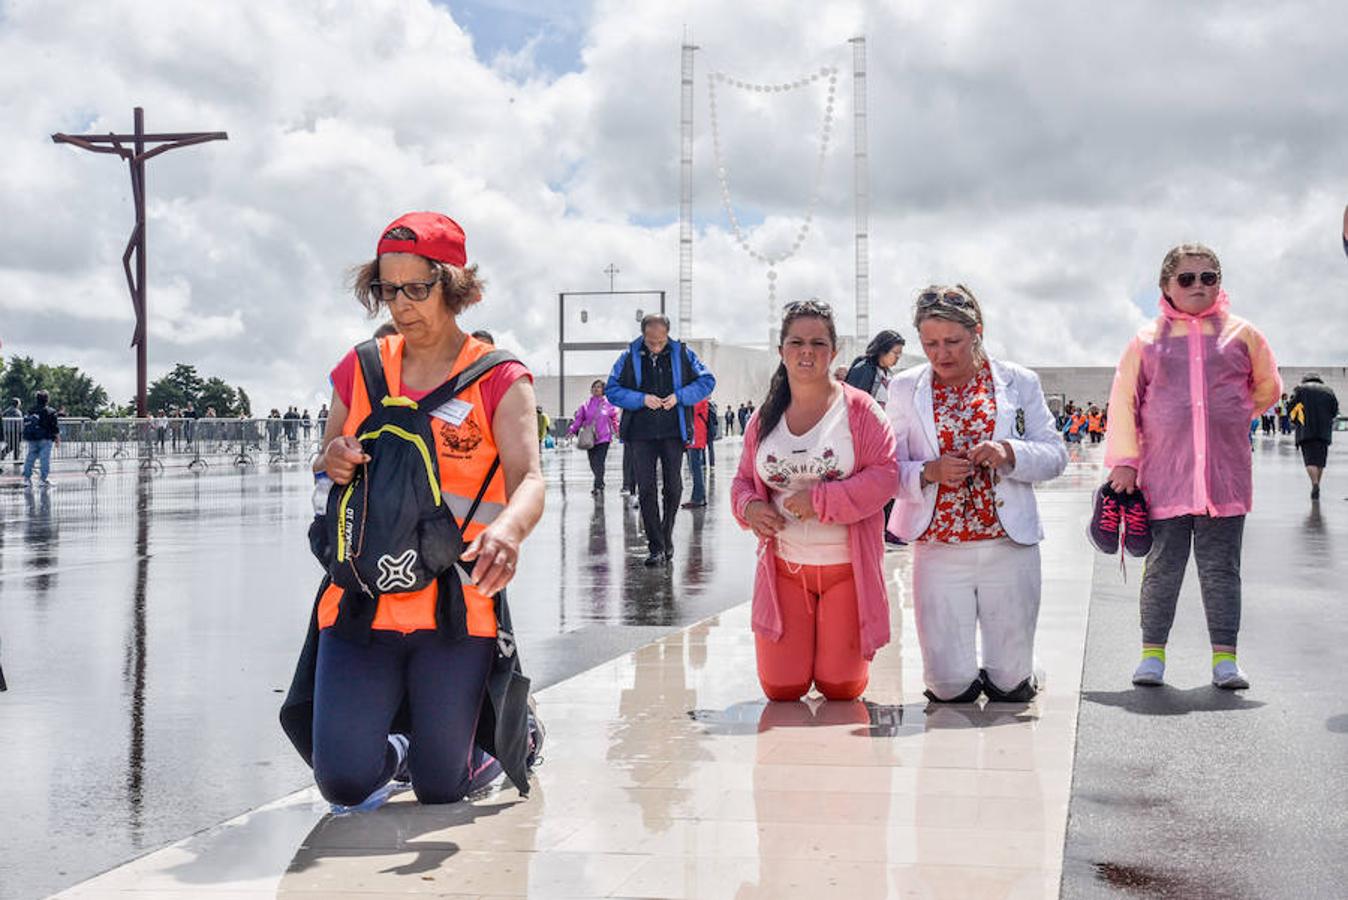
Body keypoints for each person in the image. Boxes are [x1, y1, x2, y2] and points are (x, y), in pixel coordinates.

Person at [290, 210, 546, 808]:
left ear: (455, 288)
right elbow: (325, 464)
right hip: (364, 596)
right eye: (387, 288)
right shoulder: (361, 369)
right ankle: (397, 745)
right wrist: (332, 456)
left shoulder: (499, 377)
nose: (399, 304)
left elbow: (530, 478)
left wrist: (507, 530)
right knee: (345, 783)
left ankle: (508, 732)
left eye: (416, 288)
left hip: (455, 606)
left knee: (441, 789)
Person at [1105, 243, 1281, 690]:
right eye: (1187, 278)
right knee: (1163, 567)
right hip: (1165, 476)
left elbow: (1268, 388)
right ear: (1166, 286)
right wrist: (1125, 462)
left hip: (1223, 477)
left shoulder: (1243, 334)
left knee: (1222, 569)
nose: (1198, 286)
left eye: (1208, 277)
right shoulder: (1146, 341)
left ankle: (1225, 659)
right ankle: (1152, 654)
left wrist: (1233, 411)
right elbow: (1124, 403)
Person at [888, 285, 1067, 703]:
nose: (941, 353)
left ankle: (1021, 671)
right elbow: (885, 470)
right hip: (938, 547)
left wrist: (1009, 452)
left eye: (953, 342)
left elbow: (1055, 455)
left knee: (1009, 687)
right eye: (930, 343)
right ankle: (964, 674)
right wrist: (929, 471)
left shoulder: (1019, 382)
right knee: (948, 688)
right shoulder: (903, 388)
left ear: (977, 332)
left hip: (1009, 545)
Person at [731, 300, 898, 701]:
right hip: (785, 571)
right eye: (797, 342)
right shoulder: (764, 417)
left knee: (841, 687)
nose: (807, 351)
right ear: (782, 351)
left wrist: (822, 500)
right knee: (781, 688)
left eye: (818, 343)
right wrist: (751, 508)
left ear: (834, 351)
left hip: (847, 571)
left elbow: (885, 476)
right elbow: (741, 481)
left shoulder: (860, 410)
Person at [605, 313, 716, 567]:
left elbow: (707, 381)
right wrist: (641, 399)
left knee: (673, 487)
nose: (656, 346)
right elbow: (612, 390)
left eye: (660, 341)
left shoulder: (683, 354)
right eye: (651, 341)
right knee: (645, 489)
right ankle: (655, 547)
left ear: (668, 334)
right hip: (640, 433)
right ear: (643, 334)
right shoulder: (628, 357)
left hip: (672, 432)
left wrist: (680, 396)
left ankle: (667, 537)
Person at [1289, 373, 1339, 500]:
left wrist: (1296, 421)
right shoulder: (1329, 391)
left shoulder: (1300, 389)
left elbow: (1290, 407)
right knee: (1320, 461)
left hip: (1306, 430)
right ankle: (1317, 484)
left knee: (1310, 460)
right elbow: (1334, 410)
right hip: (1324, 432)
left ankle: (1315, 483)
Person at [567, 379, 621, 494]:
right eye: (594, 387)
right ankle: (600, 481)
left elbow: (614, 420)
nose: (596, 389)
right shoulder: (585, 405)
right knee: (592, 462)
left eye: (599, 387)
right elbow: (579, 419)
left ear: (603, 390)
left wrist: (618, 431)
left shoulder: (609, 405)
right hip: (590, 438)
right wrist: (572, 430)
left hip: (604, 437)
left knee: (599, 461)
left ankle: (598, 485)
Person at [845, 329, 905, 410]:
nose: (898, 357)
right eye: (895, 353)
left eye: (900, 354)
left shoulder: (887, 373)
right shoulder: (864, 369)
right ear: (883, 350)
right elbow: (852, 404)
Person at [21, 390, 61, 487]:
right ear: (47, 399)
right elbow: (54, 427)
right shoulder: (51, 411)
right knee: (44, 459)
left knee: (30, 458)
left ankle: (27, 479)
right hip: (46, 438)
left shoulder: (31, 410)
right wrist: (57, 439)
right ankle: (43, 479)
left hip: (32, 437)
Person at [682, 398, 711, 509]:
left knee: (695, 468)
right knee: (694, 468)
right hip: (695, 438)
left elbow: (690, 410)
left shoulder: (700, 399)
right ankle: (699, 496)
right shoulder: (700, 398)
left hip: (696, 438)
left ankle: (698, 498)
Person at [2, 398, 21, 464]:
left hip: (6, 430)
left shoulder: (7, 410)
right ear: (17, 404)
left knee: (13, 445)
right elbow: (19, 423)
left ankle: (16, 459)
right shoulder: (17, 411)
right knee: (14, 445)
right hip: (15, 431)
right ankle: (15, 459)